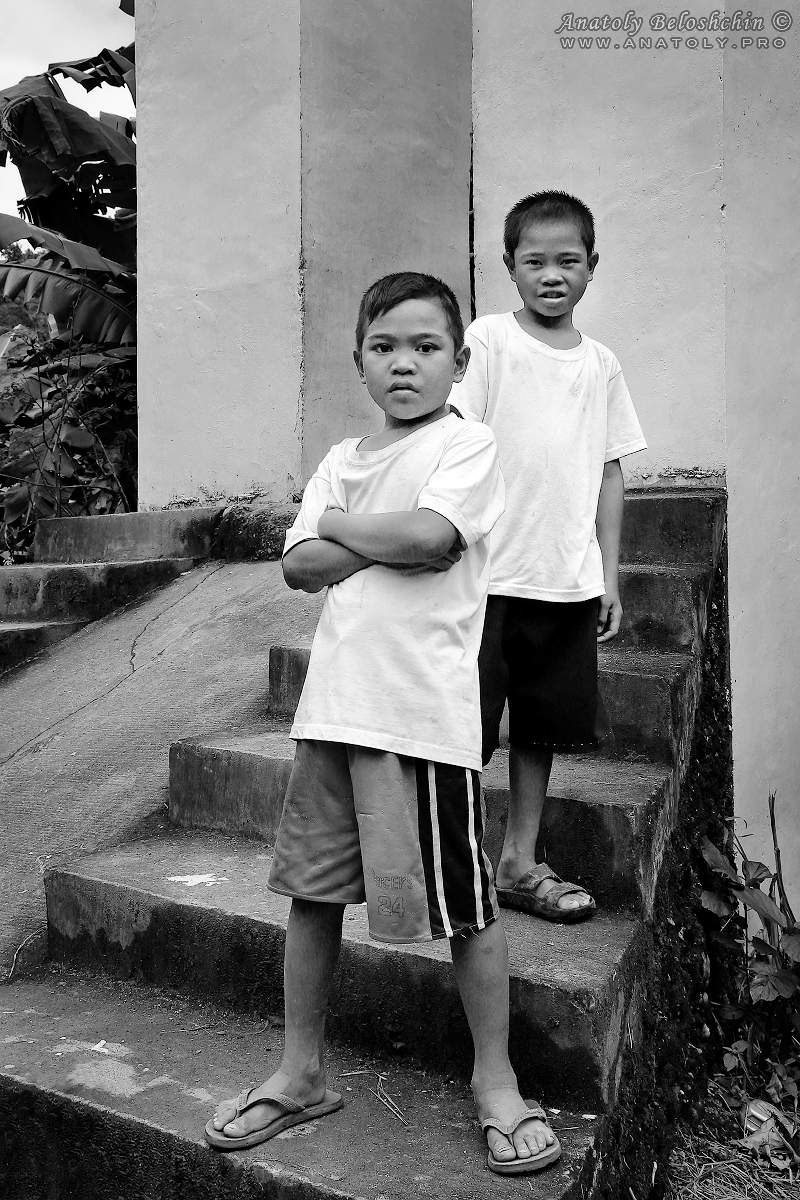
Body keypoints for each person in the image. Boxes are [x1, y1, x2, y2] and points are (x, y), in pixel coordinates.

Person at [205, 272, 562, 1175]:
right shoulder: (342, 457)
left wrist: (341, 527)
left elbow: (432, 540)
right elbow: (299, 568)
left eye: (426, 347)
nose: (405, 364)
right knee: (312, 894)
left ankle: (496, 1081)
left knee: (466, 906)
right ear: (359, 361)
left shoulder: (467, 444)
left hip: (421, 718)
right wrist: (369, 532)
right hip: (334, 710)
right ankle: (300, 1073)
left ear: (459, 361)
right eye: (384, 347)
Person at [453, 191, 647, 924]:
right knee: (464, 726)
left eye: (568, 260)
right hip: (487, 576)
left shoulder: (602, 364)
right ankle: (454, 861)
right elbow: (456, 437)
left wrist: (608, 576)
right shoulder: (490, 341)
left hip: (565, 580)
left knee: (542, 730)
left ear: (593, 266)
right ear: (510, 266)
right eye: (534, 261)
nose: (552, 275)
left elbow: (609, 472)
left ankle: (518, 861)